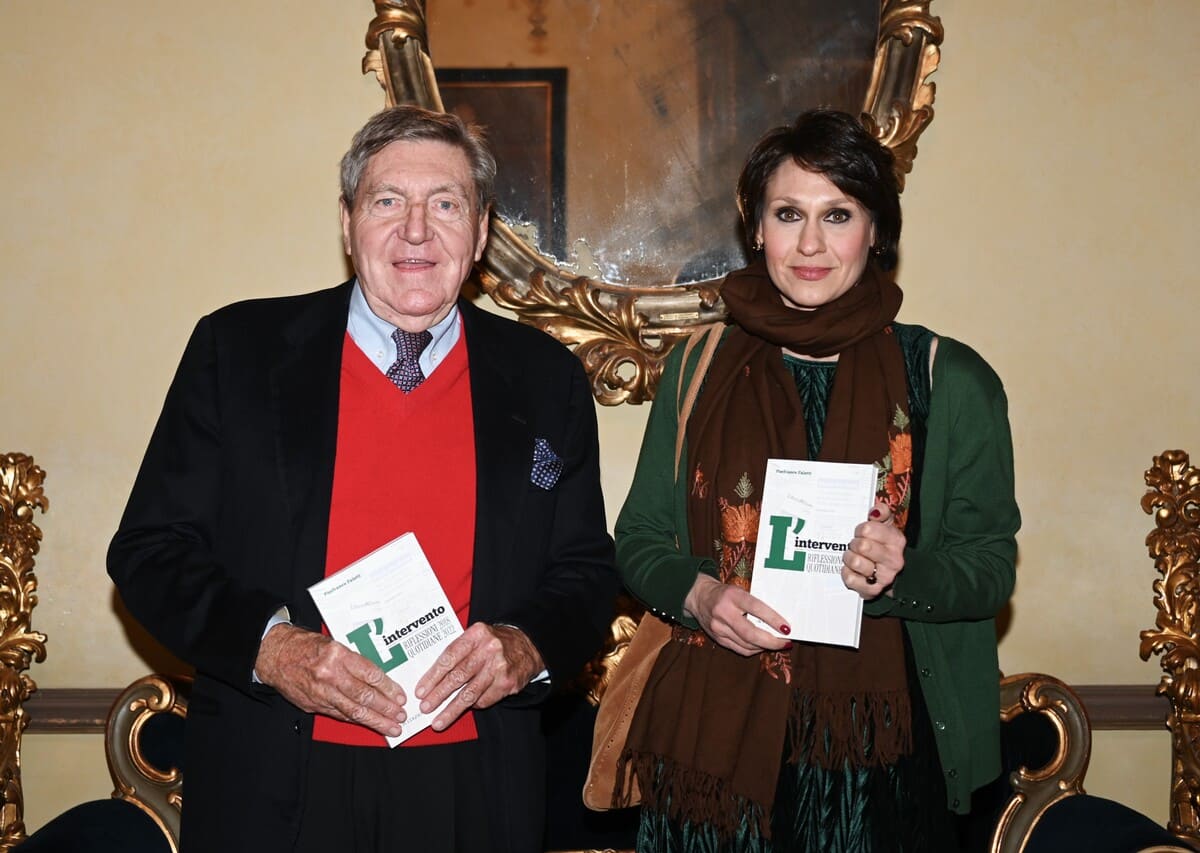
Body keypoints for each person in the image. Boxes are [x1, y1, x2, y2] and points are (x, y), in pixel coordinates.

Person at [108, 105, 617, 853]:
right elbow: (149, 552)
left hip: (476, 786)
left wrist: (526, 644)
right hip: (279, 778)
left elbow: (586, 570)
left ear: (480, 233)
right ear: (348, 224)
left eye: (446, 204)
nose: (416, 231)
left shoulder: (547, 378)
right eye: (387, 201)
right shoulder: (236, 351)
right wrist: (272, 648)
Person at [612, 109, 1020, 852]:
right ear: (755, 229)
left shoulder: (950, 379)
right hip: (712, 760)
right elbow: (639, 538)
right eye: (787, 213)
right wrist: (699, 596)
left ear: (876, 231)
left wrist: (903, 573)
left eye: (838, 214)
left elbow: (990, 569)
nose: (809, 244)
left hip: (882, 765)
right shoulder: (697, 367)